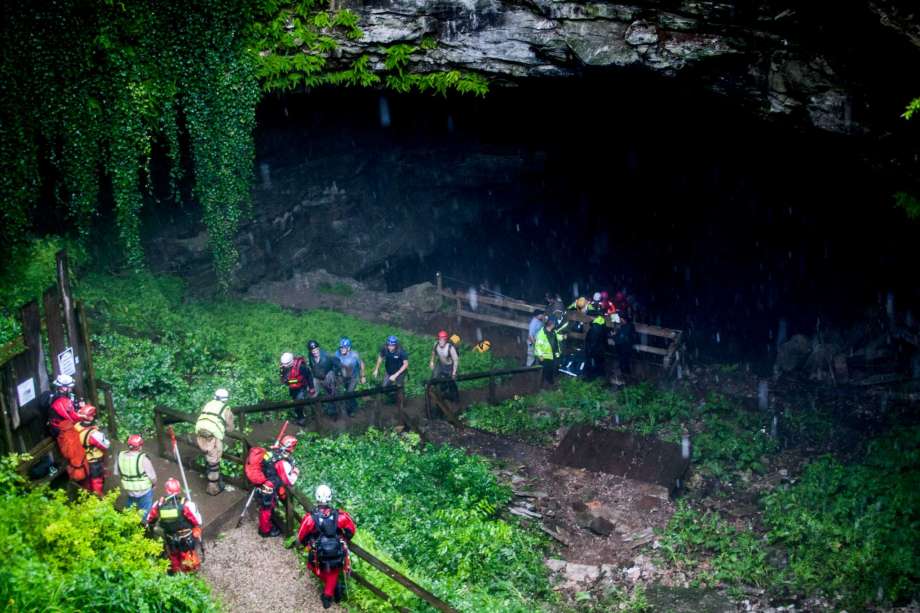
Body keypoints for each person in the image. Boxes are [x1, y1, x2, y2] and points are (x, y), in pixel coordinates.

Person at [297, 484, 357, 609]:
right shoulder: (340, 516)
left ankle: (327, 595)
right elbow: (351, 529)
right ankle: (333, 587)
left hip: (317, 551)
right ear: (330, 497)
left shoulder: (310, 518)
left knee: (312, 565)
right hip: (336, 551)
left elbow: (301, 536)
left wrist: (309, 543)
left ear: (316, 497)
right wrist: (343, 537)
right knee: (333, 571)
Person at [145, 477, 203, 574]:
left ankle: (176, 573)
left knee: (173, 556)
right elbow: (197, 520)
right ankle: (189, 573)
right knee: (187, 556)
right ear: (179, 489)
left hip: (170, 537)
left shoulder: (159, 504)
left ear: (166, 490)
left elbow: (150, 519)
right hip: (185, 537)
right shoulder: (186, 504)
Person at [259, 435, 300, 537]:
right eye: (293, 447)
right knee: (266, 507)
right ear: (290, 448)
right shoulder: (282, 462)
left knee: (267, 505)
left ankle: (266, 524)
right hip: (269, 485)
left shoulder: (273, 451)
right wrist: (295, 472)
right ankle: (265, 531)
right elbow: (289, 481)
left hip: (264, 480)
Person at [195, 388, 234, 495]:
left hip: (199, 431)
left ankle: (211, 474)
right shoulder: (226, 409)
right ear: (225, 399)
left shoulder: (208, 404)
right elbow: (230, 428)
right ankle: (212, 488)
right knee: (214, 462)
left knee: (209, 456)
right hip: (211, 435)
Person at [115, 434, 157, 517]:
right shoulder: (143, 459)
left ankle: (128, 521)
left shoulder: (120, 456)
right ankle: (143, 525)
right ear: (140, 446)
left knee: (129, 509)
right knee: (145, 512)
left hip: (129, 490)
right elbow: (153, 477)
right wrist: (154, 484)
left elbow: (116, 472)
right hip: (144, 490)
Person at [74, 404, 109, 496]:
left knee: (87, 480)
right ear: (91, 417)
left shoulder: (76, 426)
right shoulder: (93, 434)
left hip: (82, 458)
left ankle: (87, 495)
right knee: (96, 480)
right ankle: (98, 498)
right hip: (94, 461)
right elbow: (106, 445)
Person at [308, 340, 343, 419]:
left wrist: (334, 374)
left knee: (330, 394)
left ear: (319, 348)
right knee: (312, 394)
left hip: (327, 376)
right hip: (316, 377)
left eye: (316, 350)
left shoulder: (327, 356)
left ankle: (333, 413)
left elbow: (338, 364)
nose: (315, 352)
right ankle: (315, 413)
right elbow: (311, 365)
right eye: (313, 350)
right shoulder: (310, 356)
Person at [280, 351, 316, 426]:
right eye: (283, 364)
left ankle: (305, 418)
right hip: (293, 388)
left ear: (291, 362)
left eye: (285, 364)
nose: (284, 366)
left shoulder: (301, 367)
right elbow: (283, 378)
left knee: (299, 403)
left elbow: (309, 376)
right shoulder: (283, 368)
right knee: (295, 403)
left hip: (302, 387)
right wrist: (286, 381)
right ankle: (301, 416)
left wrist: (311, 387)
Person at [373, 335, 408, 405]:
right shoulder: (385, 348)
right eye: (389, 345)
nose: (390, 347)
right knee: (384, 387)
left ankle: (401, 403)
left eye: (392, 346)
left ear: (396, 345)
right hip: (389, 371)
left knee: (399, 388)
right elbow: (380, 358)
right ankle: (393, 397)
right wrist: (376, 369)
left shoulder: (401, 351)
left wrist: (395, 375)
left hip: (400, 373)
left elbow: (405, 364)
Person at [336, 338, 365, 417]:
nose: (342, 349)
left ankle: (352, 411)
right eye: (341, 347)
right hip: (343, 377)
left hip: (353, 377)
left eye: (344, 348)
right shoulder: (337, 354)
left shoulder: (354, 355)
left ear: (348, 348)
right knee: (341, 393)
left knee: (349, 393)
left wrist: (362, 376)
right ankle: (347, 409)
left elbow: (361, 364)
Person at [534, 317, 565, 386]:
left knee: (551, 370)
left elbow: (557, 337)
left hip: (551, 355)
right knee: (543, 372)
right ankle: (541, 386)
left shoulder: (553, 332)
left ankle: (550, 384)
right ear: (551, 324)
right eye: (554, 324)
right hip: (544, 357)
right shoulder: (542, 334)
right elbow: (538, 346)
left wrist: (563, 337)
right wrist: (540, 355)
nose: (555, 325)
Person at [429, 330, 459, 401]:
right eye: (440, 339)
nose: (442, 341)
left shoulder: (450, 348)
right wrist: (432, 361)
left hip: (449, 366)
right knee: (435, 377)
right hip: (440, 364)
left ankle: (455, 397)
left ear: (446, 340)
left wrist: (454, 372)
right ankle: (437, 393)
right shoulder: (436, 344)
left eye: (444, 339)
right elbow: (433, 352)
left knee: (451, 381)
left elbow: (456, 360)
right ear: (438, 339)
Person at [584, 314, 609, 381]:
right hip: (601, 348)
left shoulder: (595, 327)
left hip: (595, 350)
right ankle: (601, 379)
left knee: (593, 365)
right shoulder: (602, 323)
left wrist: (589, 351)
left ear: (592, 316)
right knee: (600, 364)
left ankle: (591, 380)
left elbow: (593, 341)